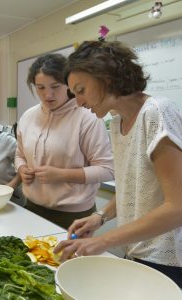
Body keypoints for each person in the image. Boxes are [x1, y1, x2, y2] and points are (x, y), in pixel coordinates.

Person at [55, 40, 182, 299]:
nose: (79, 102)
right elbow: (134, 187)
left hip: (176, 265)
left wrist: (103, 240)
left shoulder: (158, 113)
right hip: (139, 255)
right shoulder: (116, 123)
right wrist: (101, 216)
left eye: (81, 90)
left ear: (106, 77)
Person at [16, 53, 115, 229]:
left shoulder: (87, 117)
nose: (48, 95)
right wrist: (22, 168)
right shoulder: (28, 116)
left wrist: (61, 175)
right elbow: (20, 154)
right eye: (40, 88)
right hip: (31, 207)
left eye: (55, 86)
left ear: (69, 84)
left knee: (67, 257)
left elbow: (107, 169)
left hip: (72, 214)